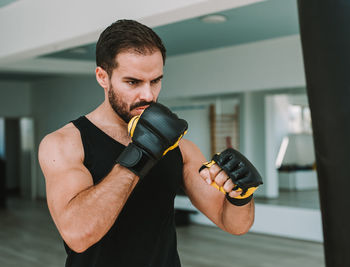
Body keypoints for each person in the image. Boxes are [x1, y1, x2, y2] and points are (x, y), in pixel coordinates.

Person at [38, 19, 262, 267]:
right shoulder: (65, 144)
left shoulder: (179, 147)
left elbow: (232, 223)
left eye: (155, 81)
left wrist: (240, 196)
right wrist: (141, 154)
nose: (147, 95)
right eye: (133, 82)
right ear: (103, 77)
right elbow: (78, 235)